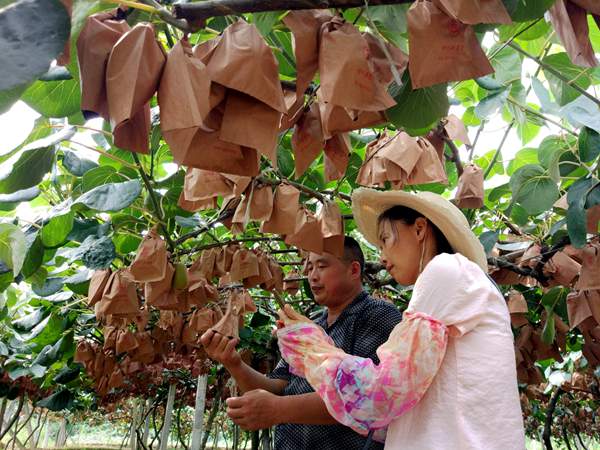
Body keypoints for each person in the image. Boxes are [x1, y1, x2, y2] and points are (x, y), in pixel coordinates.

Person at [277, 188, 526, 450]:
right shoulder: (455, 280)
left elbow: (379, 395)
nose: (382, 257)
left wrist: (309, 346)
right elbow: (394, 414)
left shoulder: (445, 269)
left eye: (385, 239)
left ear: (419, 229)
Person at [200, 236, 403, 450]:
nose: (312, 276)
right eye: (310, 267)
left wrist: (278, 409)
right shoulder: (310, 324)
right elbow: (278, 387)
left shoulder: (378, 315)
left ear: (353, 270)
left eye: (322, 266)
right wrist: (233, 363)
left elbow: (365, 399)